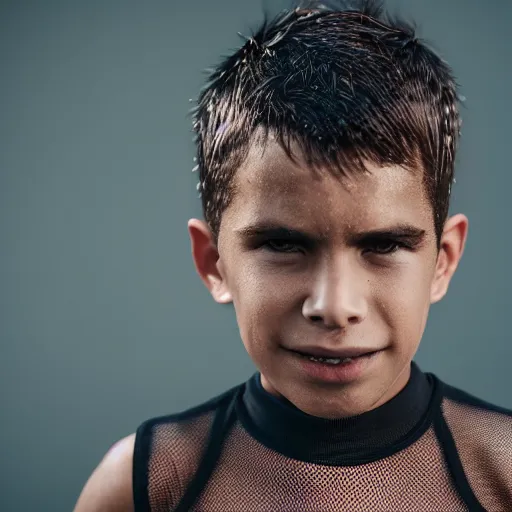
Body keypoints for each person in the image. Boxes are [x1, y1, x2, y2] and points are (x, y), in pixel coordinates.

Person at [74, 1, 512, 510]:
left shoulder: (501, 471)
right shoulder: (146, 484)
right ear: (214, 263)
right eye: (283, 245)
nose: (334, 305)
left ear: (443, 261)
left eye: (385, 245)